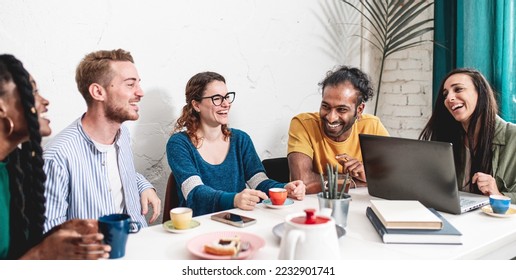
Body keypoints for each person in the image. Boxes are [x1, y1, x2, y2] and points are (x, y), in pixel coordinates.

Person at [0, 54, 110, 259]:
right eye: (31, 91)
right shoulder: (59, 152)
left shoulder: (15, 169)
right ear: (1, 108)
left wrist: (60, 233)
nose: (44, 101)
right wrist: (42, 255)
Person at [43, 49, 161, 233]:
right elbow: (51, 238)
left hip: (139, 244)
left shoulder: (122, 134)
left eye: (138, 84)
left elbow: (118, 173)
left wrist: (143, 185)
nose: (140, 92)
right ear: (98, 91)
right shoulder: (57, 156)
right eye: (130, 85)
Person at [167, 71, 306, 216]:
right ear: (196, 105)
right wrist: (234, 199)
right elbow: (195, 193)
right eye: (217, 98)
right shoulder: (179, 144)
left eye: (227, 97)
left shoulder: (240, 140)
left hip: (238, 222)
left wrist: (284, 189)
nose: (226, 104)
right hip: (200, 226)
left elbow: (259, 183)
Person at [287, 65, 389, 194]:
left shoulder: (372, 126)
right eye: (325, 106)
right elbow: (303, 181)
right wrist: (355, 181)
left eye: (342, 109)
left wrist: (367, 174)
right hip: (313, 207)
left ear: (359, 110)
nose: (331, 117)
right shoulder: (303, 124)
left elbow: (390, 178)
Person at [419, 68, 516, 202]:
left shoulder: (513, 136)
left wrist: (497, 194)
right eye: (445, 94)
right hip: (453, 219)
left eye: (458, 89)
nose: (449, 98)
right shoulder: (449, 139)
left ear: (481, 93)